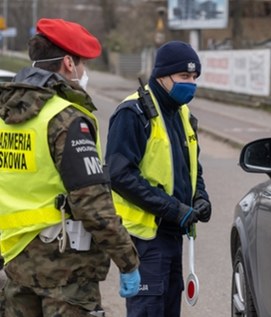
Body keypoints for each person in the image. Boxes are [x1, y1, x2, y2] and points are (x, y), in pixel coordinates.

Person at [0, 18, 140, 316]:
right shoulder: (67, 119)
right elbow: (91, 201)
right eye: (82, 63)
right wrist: (127, 261)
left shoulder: (5, 116)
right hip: (66, 273)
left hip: (16, 265)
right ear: (68, 63)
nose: (83, 71)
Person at [105, 40, 212, 317]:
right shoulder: (133, 112)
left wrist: (200, 197)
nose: (191, 84)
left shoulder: (184, 114)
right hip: (145, 238)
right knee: (148, 310)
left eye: (194, 77)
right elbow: (119, 175)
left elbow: (192, 167)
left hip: (173, 235)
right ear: (162, 76)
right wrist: (173, 208)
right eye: (184, 77)